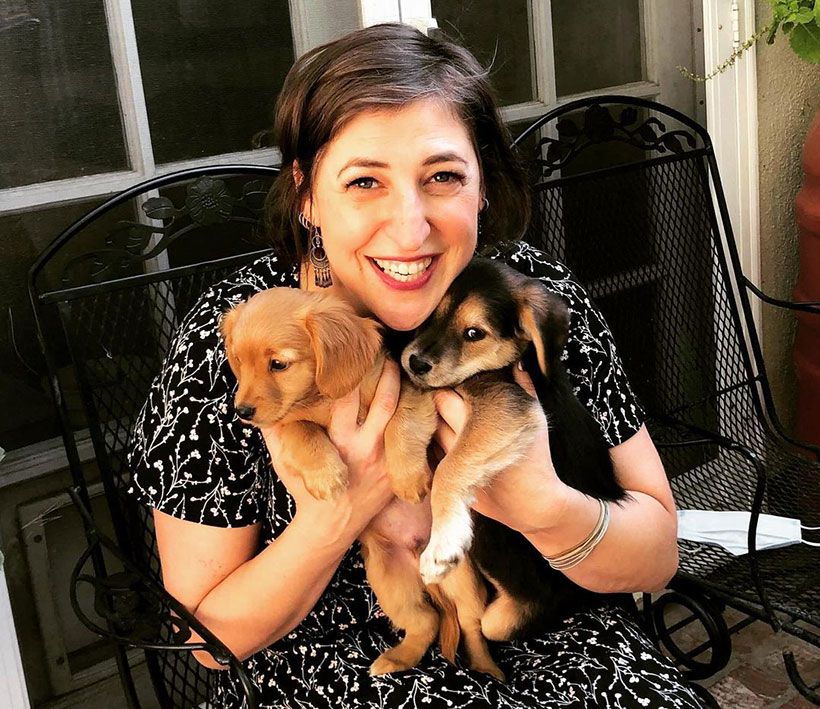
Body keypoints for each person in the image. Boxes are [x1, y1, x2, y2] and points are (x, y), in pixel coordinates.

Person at [127, 22, 710, 709]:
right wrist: (348, 505)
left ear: (482, 186)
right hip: (333, 664)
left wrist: (544, 506)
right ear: (307, 194)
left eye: (442, 176)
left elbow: (657, 552)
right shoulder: (233, 334)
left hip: (545, 621)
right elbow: (208, 636)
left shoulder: (523, 296)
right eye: (364, 180)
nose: (410, 227)